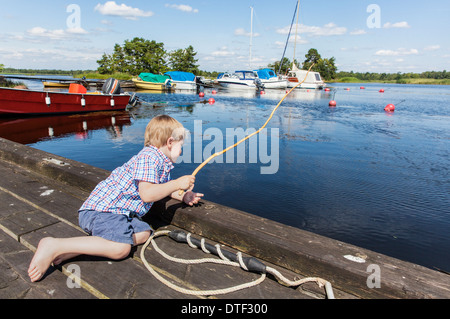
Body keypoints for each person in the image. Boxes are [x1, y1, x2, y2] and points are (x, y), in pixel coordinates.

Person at [28, 115, 203, 282]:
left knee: (144, 233)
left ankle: (71, 250)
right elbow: (148, 194)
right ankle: (54, 246)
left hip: (119, 214)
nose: (182, 150)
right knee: (121, 249)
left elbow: (163, 189)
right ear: (170, 143)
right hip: (103, 211)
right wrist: (176, 183)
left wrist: (183, 194)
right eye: (181, 146)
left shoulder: (160, 161)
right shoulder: (149, 158)